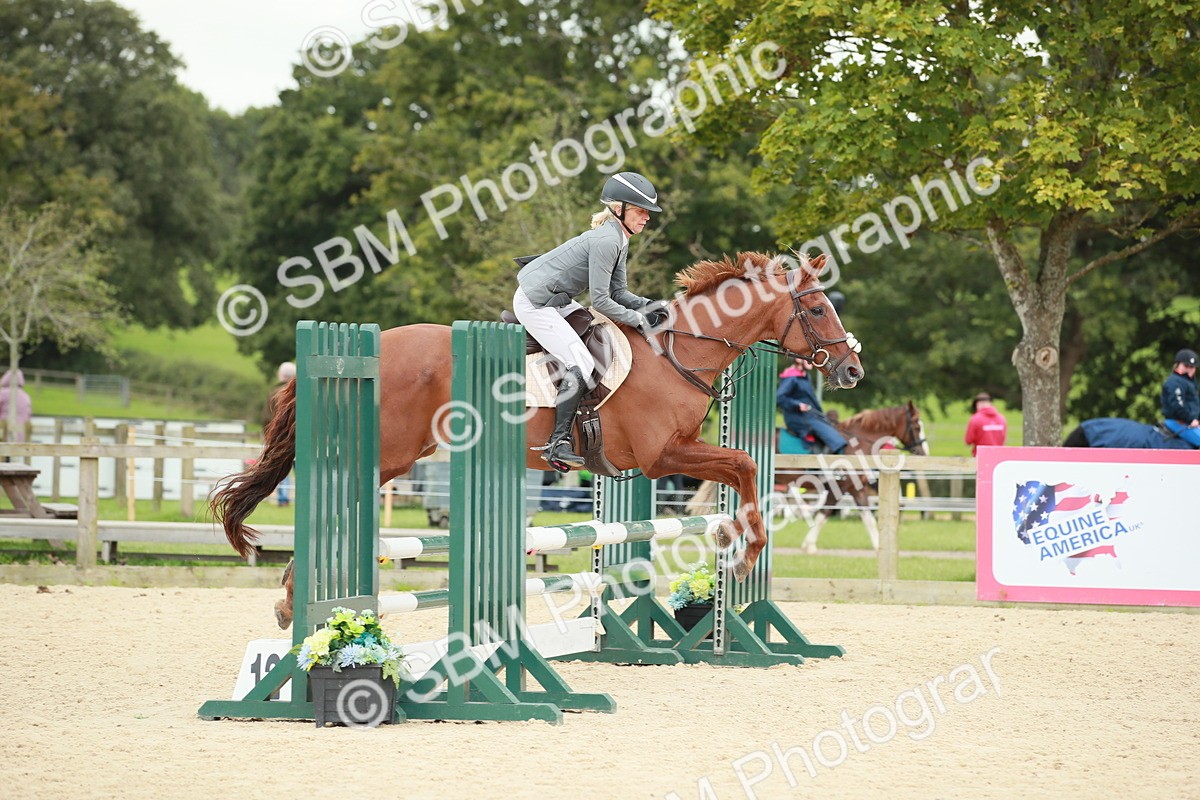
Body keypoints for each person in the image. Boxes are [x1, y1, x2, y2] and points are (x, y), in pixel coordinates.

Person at [513, 171, 669, 471]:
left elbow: (619, 292)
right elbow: (601, 301)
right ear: (619, 208)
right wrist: (640, 319)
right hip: (536, 303)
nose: (646, 218)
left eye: (647, 213)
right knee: (582, 363)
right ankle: (558, 444)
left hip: (557, 299)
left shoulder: (620, 239)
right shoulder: (607, 241)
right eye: (641, 211)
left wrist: (651, 305)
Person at [776, 357, 847, 454]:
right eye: (808, 360)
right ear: (798, 359)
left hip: (811, 416)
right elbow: (780, 398)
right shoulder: (791, 377)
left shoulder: (805, 376)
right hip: (799, 419)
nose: (811, 363)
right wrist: (798, 405)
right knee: (836, 441)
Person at [266, 362, 296, 505]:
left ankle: (283, 498)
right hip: (300, 438)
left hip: (280, 439)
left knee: (282, 469)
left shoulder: (274, 393)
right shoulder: (303, 392)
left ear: (281, 375)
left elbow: (266, 417)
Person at [1161, 348, 1200, 447]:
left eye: (1192, 367)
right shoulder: (1174, 382)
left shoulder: (1190, 383)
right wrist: (1191, 419)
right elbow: (1178, 405)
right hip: (1178, 422)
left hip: (1191, 422)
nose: (1189, 369)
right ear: (1178, 365)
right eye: (1186, 366)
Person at [0, 370, 32, 443]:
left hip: (4, 433)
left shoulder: (2, 393)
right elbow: (28, 415)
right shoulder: (26, 396)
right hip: (22, 434)